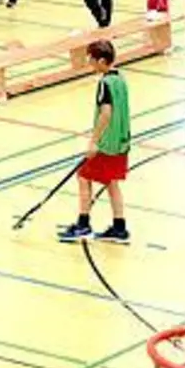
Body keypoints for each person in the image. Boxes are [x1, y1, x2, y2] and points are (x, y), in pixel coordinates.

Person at [58, 41, 132, 244]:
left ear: (101, 60)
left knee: (83, 177)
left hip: (106, 144)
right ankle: (119, 228)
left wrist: (93, 142)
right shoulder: (121, 79)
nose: (89, 62)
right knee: (111, 182)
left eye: (91, 58)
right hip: (121, 142)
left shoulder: (105, 84)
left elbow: (106, 113)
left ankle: (83, 225)